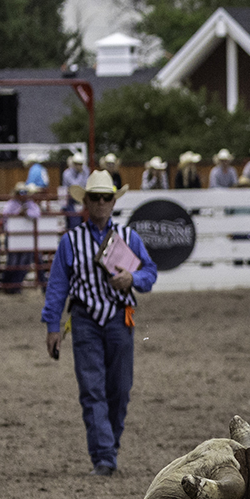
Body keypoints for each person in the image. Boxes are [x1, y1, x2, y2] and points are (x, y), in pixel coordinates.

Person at [42, 170, 158, 477]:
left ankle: (109, 446)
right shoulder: (70, 241)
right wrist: (53, 326)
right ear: (87, 202)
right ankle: (105, 455)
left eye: (107, 198)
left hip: (121, 318)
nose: (102, 203)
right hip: (85, 320)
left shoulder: (129, 237)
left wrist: (132, 278)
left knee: (119, 388)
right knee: (92, 389)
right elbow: (57, 287)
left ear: (113, 201)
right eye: (96, 198)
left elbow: (150, 273)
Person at [0, 181, 43, 292]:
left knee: (24, 263)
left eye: (25, 192)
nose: (23, 195)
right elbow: (5, 216)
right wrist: (18, 213)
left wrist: (26, 213)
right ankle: (8, 285)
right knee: (13, 262)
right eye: (21, 192)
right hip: (14, 236)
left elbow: (37, 214)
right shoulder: (11, 204)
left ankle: (15, 286)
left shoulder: (30, 204)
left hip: (25, 237)